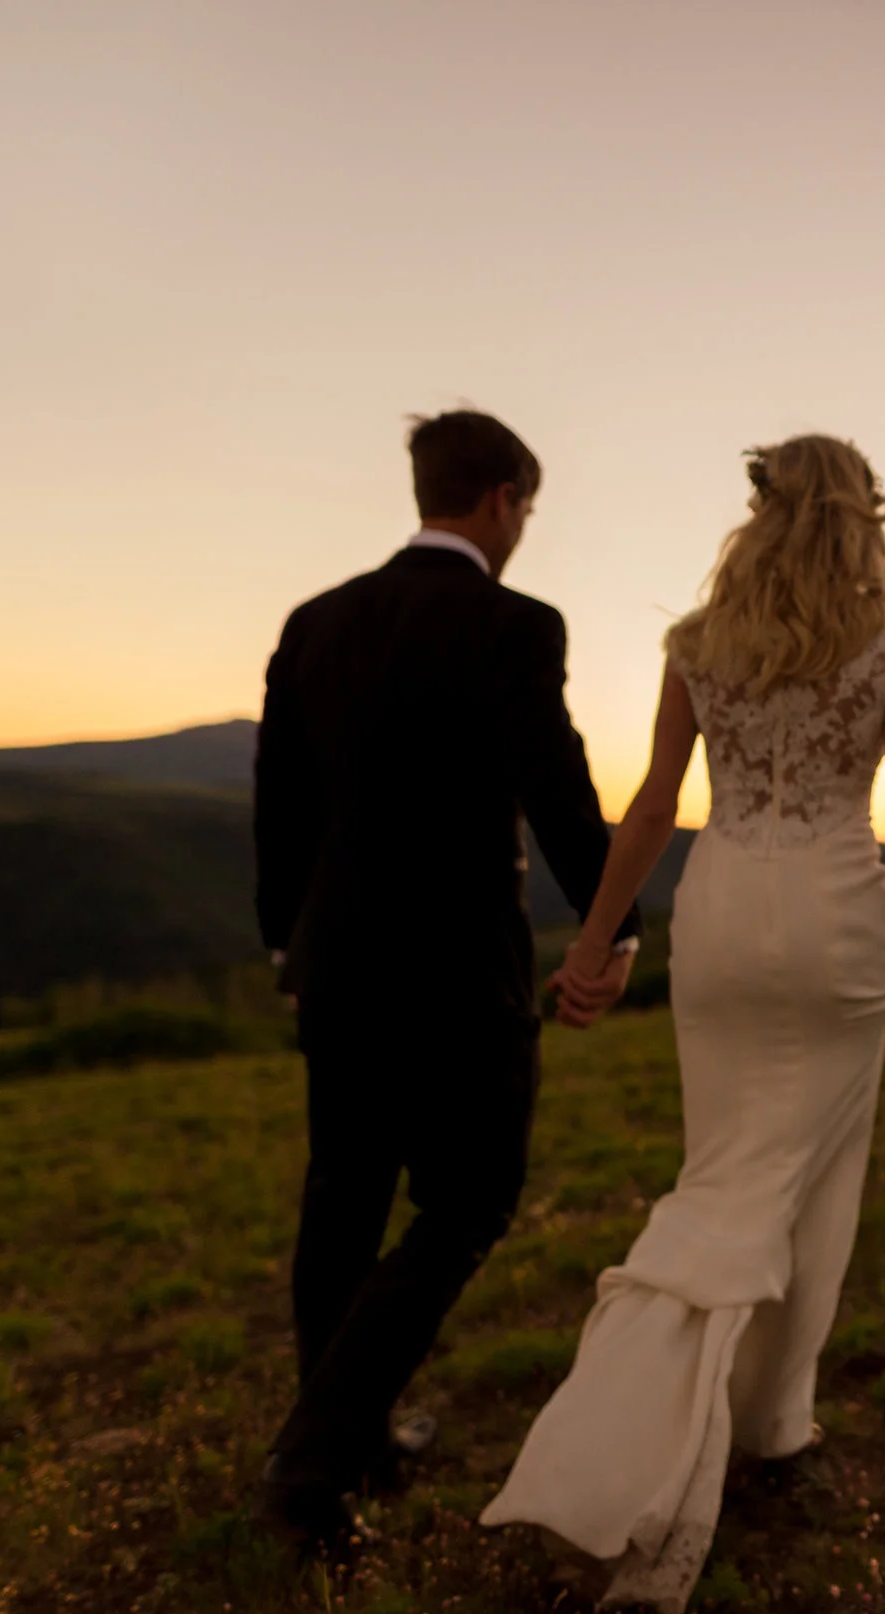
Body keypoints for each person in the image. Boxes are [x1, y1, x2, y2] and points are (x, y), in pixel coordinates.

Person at [478, 433, 885, 1614]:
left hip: (723, 915)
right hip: (839, 919)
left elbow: (649, 808)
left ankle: (758, 1421)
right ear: (862, 518)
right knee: (806, 1180)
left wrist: (590, 949)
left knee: (727, 1169)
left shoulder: (695, 645)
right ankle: (730, 1434)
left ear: (759, 513)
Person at [252, 409, 639, 1546]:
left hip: (336, 967)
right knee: (469, 1202)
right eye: (527, 508)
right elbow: (557, 785)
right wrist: (607, 932)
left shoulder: (316, 621)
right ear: (503, 499)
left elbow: (281, 807)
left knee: (346, 1203)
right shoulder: (514, 624)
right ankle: (309, 1461)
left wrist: (288, 945)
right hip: (463, 972)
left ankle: (345, 1443)